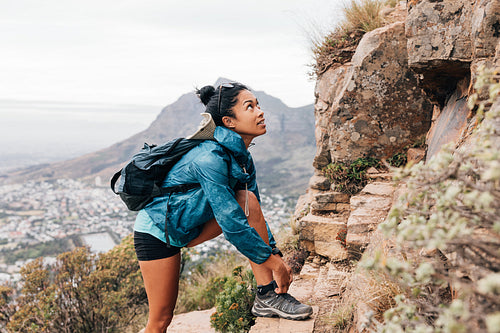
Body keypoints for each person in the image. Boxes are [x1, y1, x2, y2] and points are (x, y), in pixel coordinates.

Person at [133, 82, 313, 332]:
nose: (260, 112)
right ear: (228, 121)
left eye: (258, 105)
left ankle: (266, 296)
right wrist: (274, 263)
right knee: (161, 319)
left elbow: (253, 211)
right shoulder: (210, 157)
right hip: (157, 230)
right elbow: (231, 223)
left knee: (247, 201)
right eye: (249, 107)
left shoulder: (242, 158)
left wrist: (274, 252)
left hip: (189, 223)